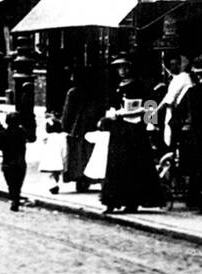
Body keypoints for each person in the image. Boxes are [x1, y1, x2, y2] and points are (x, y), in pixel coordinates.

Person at [98, 76, 165, 214]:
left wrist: (150, 124)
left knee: (134, 165)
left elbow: (151, 106)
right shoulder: (115, 86)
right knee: (116, 164)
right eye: (120, 68)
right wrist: (112, 115)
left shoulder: (142, 86)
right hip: (119, 129)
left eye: (126, 67)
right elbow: (111, 106)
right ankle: (112, 201)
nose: (122, 71)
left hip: (136, 130)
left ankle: (132, 202)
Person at [61, 68, 104, 192]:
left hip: (77, 127)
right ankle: (89, 178)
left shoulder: (73, 92)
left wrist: (64, 127)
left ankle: (79, 178)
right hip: (91, 125)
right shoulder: (96, 92)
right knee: (89, 152)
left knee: (77, 154)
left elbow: (67, 112)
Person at [171, 64, 202, 210]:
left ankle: (193, 199)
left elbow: (168, 105)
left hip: (192, 133)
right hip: (191, 133)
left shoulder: (189, 88)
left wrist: (150, 122)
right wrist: (150, 122)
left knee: (195, 168)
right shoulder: (190, 89)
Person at [0, 112, 29, 211]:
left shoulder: (3, 133)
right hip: (20, 162)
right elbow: (31, 138)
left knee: (10, 183)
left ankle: (13, 198)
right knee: (18, 183)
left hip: (7, 162)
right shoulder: (22, 132)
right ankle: (16, 198)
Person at [37, 112, 67, 194]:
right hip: (58, 158)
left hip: (49, 158)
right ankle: (55, 184)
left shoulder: (47, 138)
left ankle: (53, 185)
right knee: (56, 173)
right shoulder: (62, 137)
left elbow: (40, 132)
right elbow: (64, 148)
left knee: (50, 174)